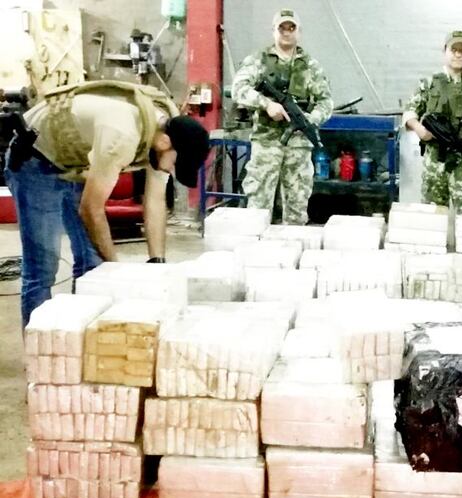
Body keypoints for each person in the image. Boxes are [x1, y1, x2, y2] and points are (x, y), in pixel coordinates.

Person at [4, 80, 210, 327]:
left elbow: (155, 200)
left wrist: (157, 262)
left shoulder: (170, 129)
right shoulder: (123, 135)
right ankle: (39, 347)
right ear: (165, 143)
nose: (173, 172)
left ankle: (80, 338)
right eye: (176, 165)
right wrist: (117, 272)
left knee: (92, 264)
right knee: (43, 267)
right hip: (35, 158)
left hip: (76, 161)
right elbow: (91, 209)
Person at [232, 8, 333, 225]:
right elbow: (238, 88)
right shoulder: (259, 60)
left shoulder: (311, 66)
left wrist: (311, 119)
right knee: (258, 205)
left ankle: (291, 245)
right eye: (282, 28)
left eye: (291, 27)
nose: (287, 32)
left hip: (298, 145)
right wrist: (267, 104)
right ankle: (257, 244)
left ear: (299, 31)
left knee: (297, 207)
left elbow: (326, 101)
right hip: (266, 142)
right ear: (274, 31)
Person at [402, 30, 462, 213]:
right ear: (445, 51)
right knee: (433, 214)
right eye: (453, 49)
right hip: (435, 160)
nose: (458, 54)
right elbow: (410, 110)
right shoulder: (430, 82)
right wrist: (420, 129)